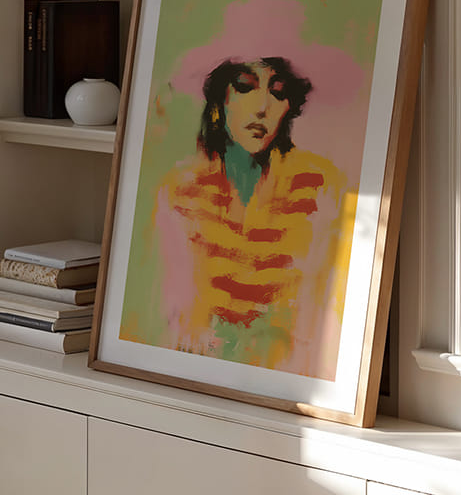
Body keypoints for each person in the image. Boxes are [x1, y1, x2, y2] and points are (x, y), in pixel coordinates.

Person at [150, 51, 354, 377]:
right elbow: (175, 314)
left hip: (287, 374)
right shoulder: (181, 190)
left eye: (278, 92)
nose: (262, 107)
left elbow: (320, 310)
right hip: (193, 373)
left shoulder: (319, 187)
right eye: (245, 87)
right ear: (220, 99)